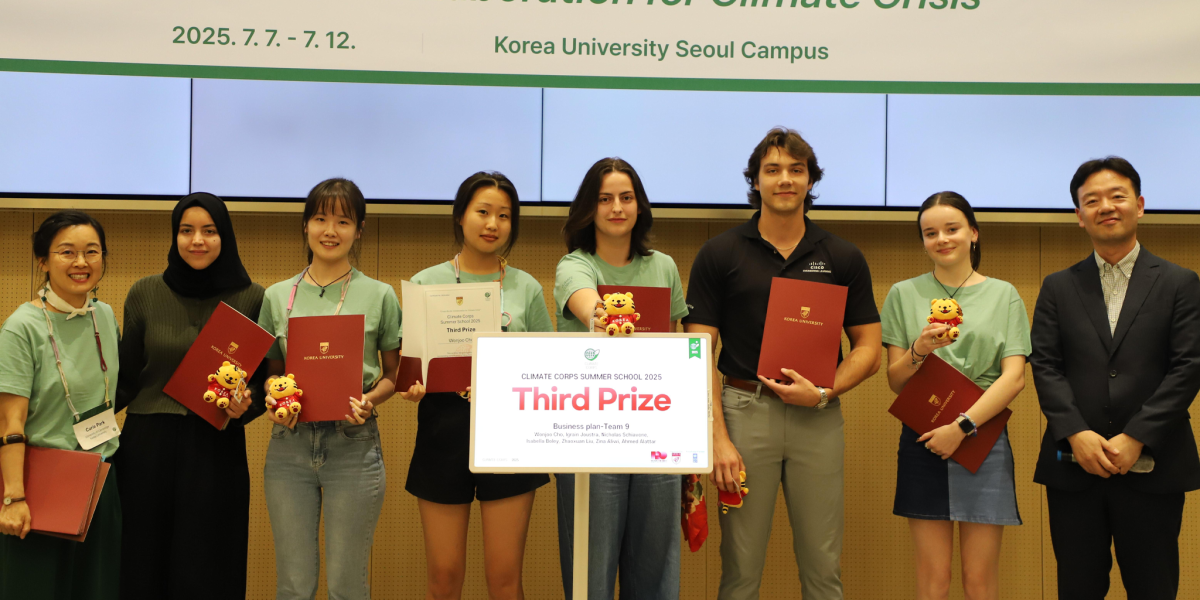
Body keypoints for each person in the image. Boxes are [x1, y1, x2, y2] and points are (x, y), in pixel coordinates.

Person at [683, 127, 881, 600]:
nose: (785, 179)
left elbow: (870, 349)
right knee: (740, 571)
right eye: (772, 170)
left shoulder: (842, 256)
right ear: (756, 182)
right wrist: (718, 438)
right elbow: (696, 353)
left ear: (811, 181)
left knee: (823, 570)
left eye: (796, 170)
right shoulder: (720, 253)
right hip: (743, 415)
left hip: (819, 417)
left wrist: (825, 392)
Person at [1031, 157, 1200, 600]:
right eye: (1092, 201)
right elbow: (1046, 366)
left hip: (1153, 465)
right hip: (1075, 467)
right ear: (1079, 215)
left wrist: (1137, 436)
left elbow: (1189, 366)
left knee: (1153, 587)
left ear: (1139, 205)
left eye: (1117, 196)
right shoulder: (1057, 287)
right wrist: (1076, 434)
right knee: (1078, 587)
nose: (1106, 206)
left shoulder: (1181, 283)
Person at [257, 178, 423, 599]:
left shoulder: (380, 295)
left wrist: (369, 400)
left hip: (354, 445)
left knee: (348, 585)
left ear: (359, 230)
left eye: (343, 221)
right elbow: (271, 373)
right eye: (320, 219)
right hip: (289, 447)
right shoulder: (278, 297)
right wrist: (273, 396)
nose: (330, 231)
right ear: (306, 226)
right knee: (294, 585)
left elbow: (393, 373)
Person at [405, 172, 553, 600]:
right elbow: (411, 367)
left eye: (504, 216)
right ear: (460, 216)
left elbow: (545, 364)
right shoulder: (426, 283)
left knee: (504, 578)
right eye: (483, 212)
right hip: (442, 430)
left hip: (508, 432)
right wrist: (414, 385)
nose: (493, 224)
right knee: (444, 577)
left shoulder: (526, 287)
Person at [114, 192, 265, 599]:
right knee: (143, 557)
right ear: (174, 236)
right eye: (186, 231)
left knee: (211, 559)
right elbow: (124, 376)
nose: (197, 240)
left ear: (226, 236)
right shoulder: (144, 292)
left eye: (209, 231)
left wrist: (245, 402)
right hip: (147, 445)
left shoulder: (253, 297)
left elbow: (266, 380)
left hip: (216, 444)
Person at [880, 192, 1029, 600]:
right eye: (931, 233)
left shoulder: (1005, 294)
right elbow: (896, 381)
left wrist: (962, 426)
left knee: (979, 581)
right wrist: (919, 350)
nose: (942, 239)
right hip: (923, 437)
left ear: (973, 233)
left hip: (982, 437)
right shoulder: (902, 293)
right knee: (934, 580)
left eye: (952, 229)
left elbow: (1014, 377)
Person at [553, 157, 689, 599]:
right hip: (591, 434)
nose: (617, 207)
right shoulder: (574, 264)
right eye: (605, 198)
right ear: (588, 209)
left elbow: (677, 345)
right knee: (589, 577)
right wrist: (604, 315)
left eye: (626, 198)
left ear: (639, 206)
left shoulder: (664, 266)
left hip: (655, 432)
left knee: (655, 575)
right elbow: (590, 306)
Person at [0, 211, 122, 599]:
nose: (81, 263)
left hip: (98, 480)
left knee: (95, 589)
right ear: (43, 261)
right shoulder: (22, 327)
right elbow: (10, 421)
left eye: (92, 252)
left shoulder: (103, 314)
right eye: (67, 252)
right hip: (40, 485)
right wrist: (14, 497)